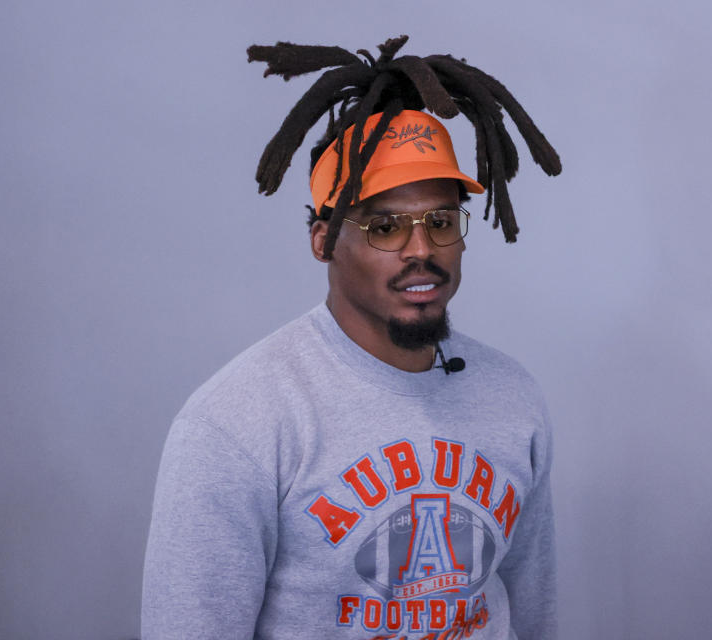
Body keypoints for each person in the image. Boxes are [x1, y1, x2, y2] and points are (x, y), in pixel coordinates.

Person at [142, 35, 561, 639]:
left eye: (441, 221)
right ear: (324, 239)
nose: (422, 250)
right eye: (385, 227)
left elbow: (534, 612)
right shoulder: (236, 423)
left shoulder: (513, 397)